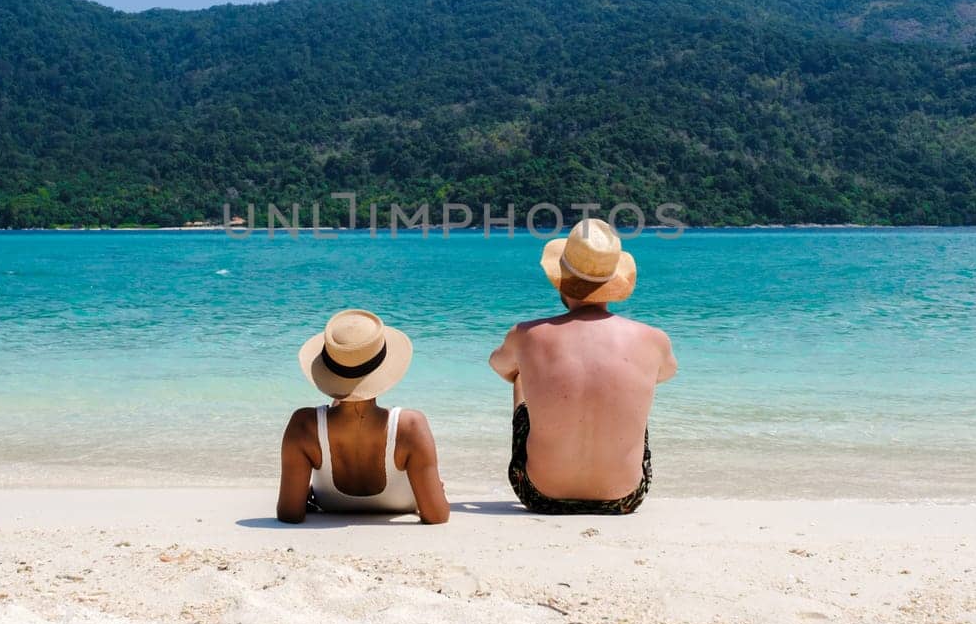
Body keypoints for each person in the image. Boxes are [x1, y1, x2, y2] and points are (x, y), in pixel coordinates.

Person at [489, 218, 677, 515]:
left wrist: (534, 371)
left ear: (562, 278)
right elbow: (666, 373)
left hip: (540, 495)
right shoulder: (654, 339)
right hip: (625, 498)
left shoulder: (526, 335)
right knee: (635, 388)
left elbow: (499, 366)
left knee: (521, 376)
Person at [277, 308, 450, 524]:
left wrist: (304, 492)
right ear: (383, 370)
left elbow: (289, 513)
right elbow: (437, 516)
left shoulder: (304, 426)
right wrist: (436, 492)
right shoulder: (410, 426)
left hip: (329, 506)